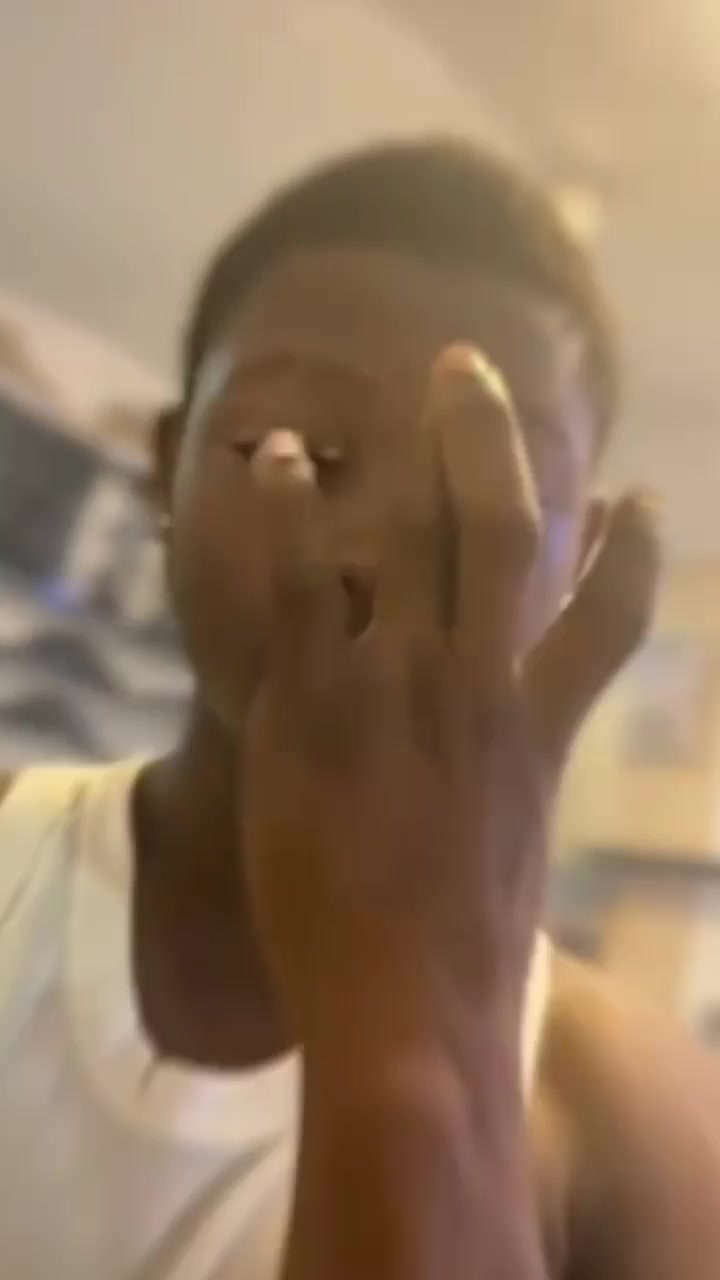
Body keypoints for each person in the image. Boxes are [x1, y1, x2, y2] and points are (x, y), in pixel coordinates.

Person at [1, 137, 718, 1280]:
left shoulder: (644, 1118)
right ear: (167, 466)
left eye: (486, 485)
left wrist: (432, 1047)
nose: (377, 549)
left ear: (580, 558)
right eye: (301, 450)